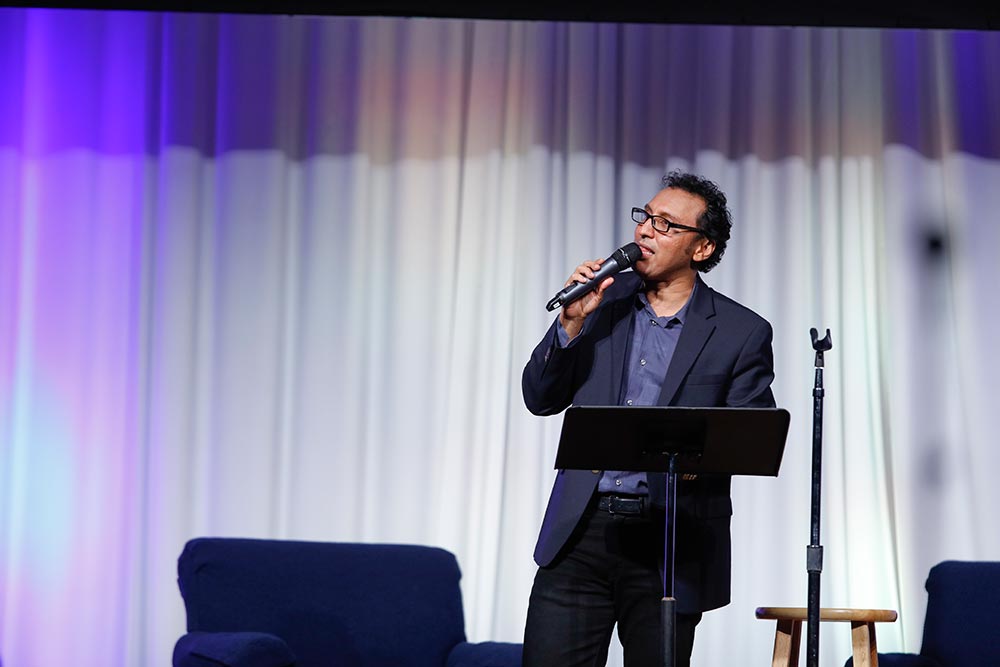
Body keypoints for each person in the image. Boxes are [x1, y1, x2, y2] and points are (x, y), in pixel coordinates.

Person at [521, 171, 776, 667]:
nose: (644, 231)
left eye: (665, 224)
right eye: (645, 217)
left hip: (670, 537)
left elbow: (751, 437)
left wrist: (689, 456)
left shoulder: (741, 332)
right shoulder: (602, 304)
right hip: (582, 532)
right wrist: (571, 322)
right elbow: (540, 398)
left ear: (701, 248)